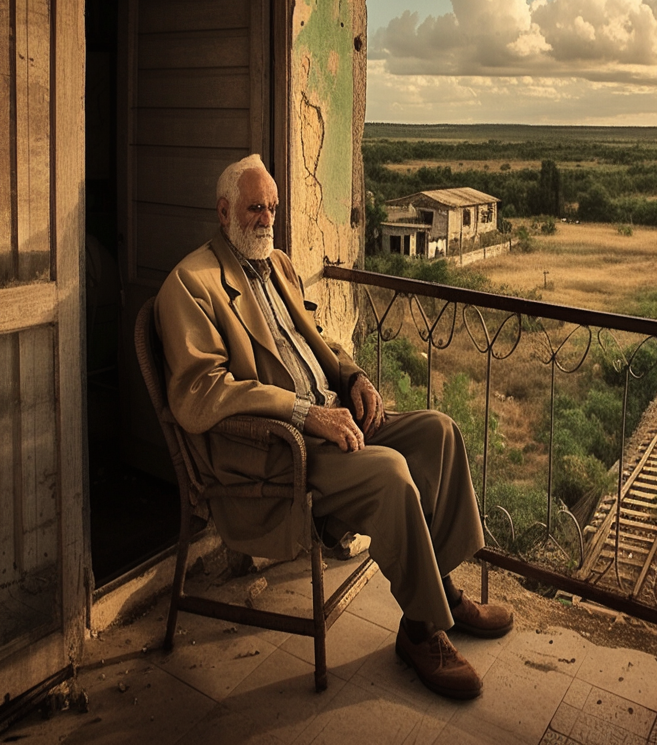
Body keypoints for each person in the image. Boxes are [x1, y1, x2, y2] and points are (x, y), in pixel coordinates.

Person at [154, 154, 512, 699]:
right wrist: (305, 413)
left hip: (333, 416)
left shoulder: (278, 265)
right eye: (255, 208)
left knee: (440, 431)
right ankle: (422, 632)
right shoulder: (191, 284)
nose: (267, 219)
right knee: (392, 472)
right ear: (224, 211)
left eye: (272, 208)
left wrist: (355, 377)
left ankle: (436, 588)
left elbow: (319, 344)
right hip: (285, 448)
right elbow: (201, 392)